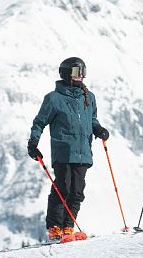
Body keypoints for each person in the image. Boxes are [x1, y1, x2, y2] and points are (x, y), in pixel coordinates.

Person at [27, 57, 109, 241]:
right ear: (65, 74)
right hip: (63, 150)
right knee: (63, 187)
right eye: (76, 72)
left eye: (83, 72)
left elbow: (92, 119)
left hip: (83, 152)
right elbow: (40, 122)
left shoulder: (89, 97)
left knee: (77, 191)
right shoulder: (54, 99)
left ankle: (68, 226)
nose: (80, 76)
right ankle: (55, 226)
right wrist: (33, 143)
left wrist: (98, 129)